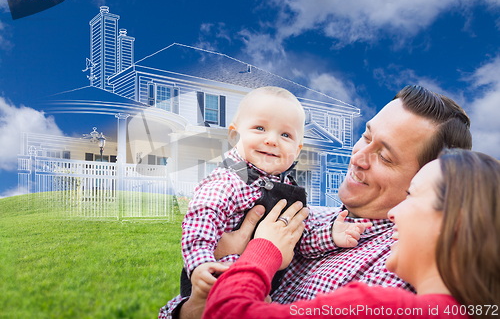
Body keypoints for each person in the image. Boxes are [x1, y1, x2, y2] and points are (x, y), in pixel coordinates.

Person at [159, 85, 472, 319]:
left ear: (432, 177)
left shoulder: (397, 270)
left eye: (385, 157)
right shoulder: (313, 216)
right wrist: (192, 306)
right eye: (365, 136)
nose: (358, 157)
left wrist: (259, 251)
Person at [203, 149, 500, 319]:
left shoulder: (383, 308)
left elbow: (227, 314)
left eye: (412, 196)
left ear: (455, 222)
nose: (395, 213)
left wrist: (262, 249)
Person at [179, 87, 369, 298]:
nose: (271, 140)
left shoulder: (289, 190)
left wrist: (331, 234)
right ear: (234, 135)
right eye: (260, 128)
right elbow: (201, 221)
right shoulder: (227, 181)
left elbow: (298, 238)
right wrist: (200, 263)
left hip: (262, 285)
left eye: (285, 134)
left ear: (297, 150)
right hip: (217, 276)